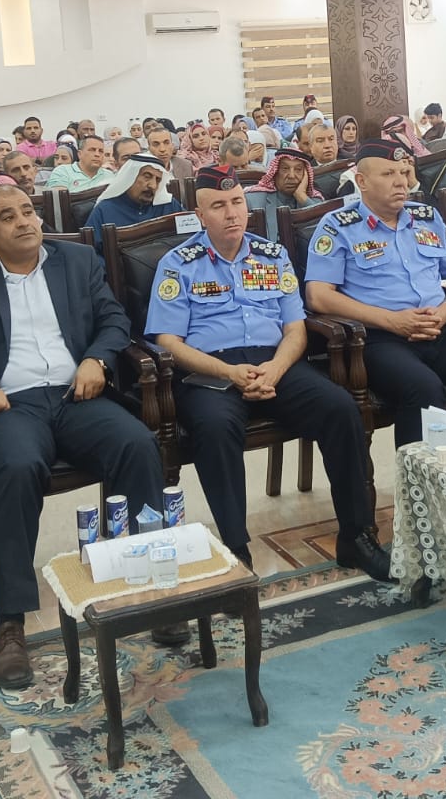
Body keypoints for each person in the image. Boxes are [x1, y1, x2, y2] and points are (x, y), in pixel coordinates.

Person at [0, 185, 165, 688]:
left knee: (137, 444)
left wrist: (96, 359)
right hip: (10, 404)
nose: (24, 222)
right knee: (16, 467)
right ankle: (10, 623)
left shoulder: (77, 259)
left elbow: (114, 319)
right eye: (8, 217)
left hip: (77, 395)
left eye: (28, 211)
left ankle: (148, 590)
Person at [147, 165, 390, 578]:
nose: (231, 214)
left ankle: (356, 536)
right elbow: (168, 342)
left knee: (340, 408)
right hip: (210, 370)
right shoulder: (178, 264)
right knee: (215, 428)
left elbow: (295, 329)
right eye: (218, 206)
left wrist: (275, 369)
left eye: (237, 203)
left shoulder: (272, 255)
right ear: (200, 215)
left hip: (274, 361)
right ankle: (236, 551)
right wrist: (229, 372)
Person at [304, 141, 446, 447]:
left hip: (439, 329)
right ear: (362, 181)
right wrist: (391, 321)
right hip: (378, 340)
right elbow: (318, 295)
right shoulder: (338, 226)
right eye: (388, 174)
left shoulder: (426, 217)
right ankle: (416, 475)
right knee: (423, 389)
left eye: (403, 172)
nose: (401, 182)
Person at [83, 153, 184, 241]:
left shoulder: (169, 205)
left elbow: (189, 236)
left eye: (158, 180)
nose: (153, 185)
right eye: (147, 177)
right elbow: (91, 252)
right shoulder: (105, 210)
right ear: (130, 177)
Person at [244, 148, 322, 228]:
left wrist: (301, 196)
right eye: (285, 169)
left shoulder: (315, 201)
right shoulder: (252, 200)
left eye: (298, 170)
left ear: (306, 175)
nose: (291, 176)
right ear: (275, 172)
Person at [45, 134, 115, 192]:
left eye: (101, 151)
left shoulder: (109, 175)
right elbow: (59, 200)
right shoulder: (63, 171)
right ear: (79, 154)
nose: (97, 154)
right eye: (92, 150)